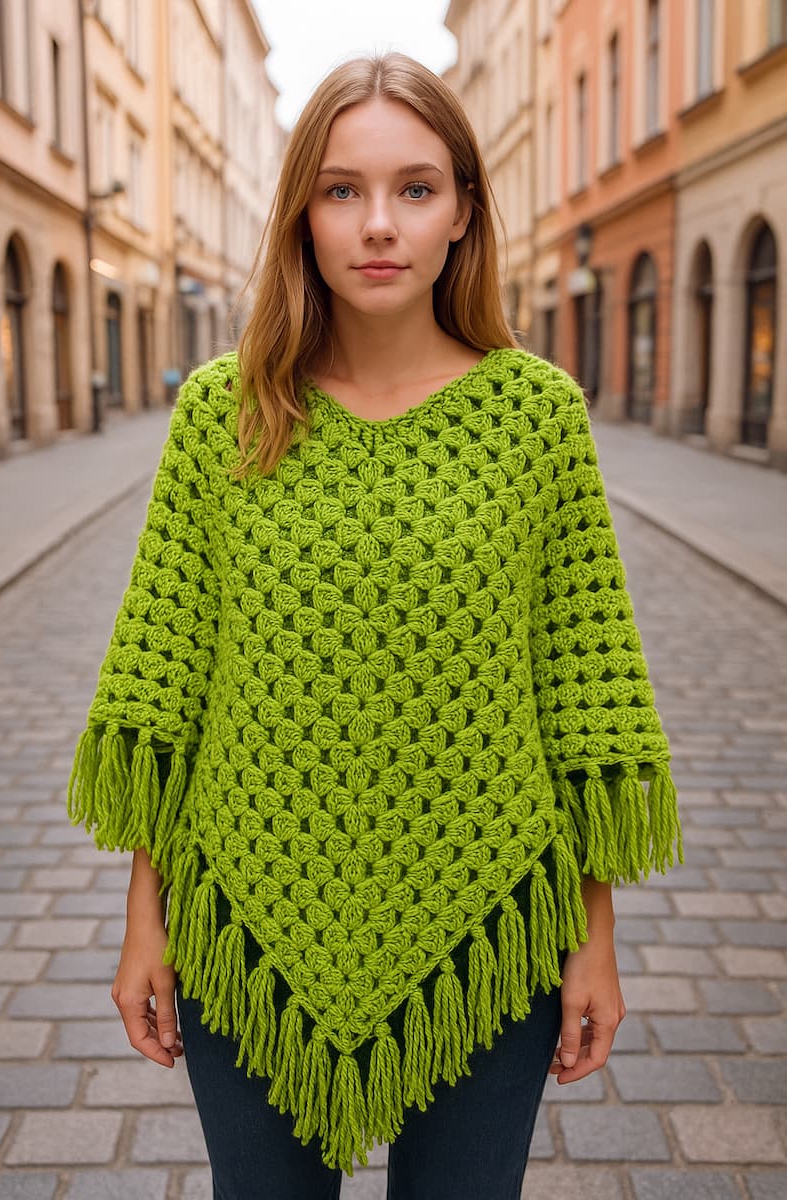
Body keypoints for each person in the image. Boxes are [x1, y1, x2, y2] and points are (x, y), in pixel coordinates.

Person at [67, 52, 682, 1200]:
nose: (378, 224)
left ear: (461, 213)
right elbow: (170, 693)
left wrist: (591, 935)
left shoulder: (535, 418)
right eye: (341, 189)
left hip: (488, 922)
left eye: (414, 188)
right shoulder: (225, 417)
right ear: (302, 213)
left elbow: (577, 697)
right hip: (245, 911)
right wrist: (142, 920)